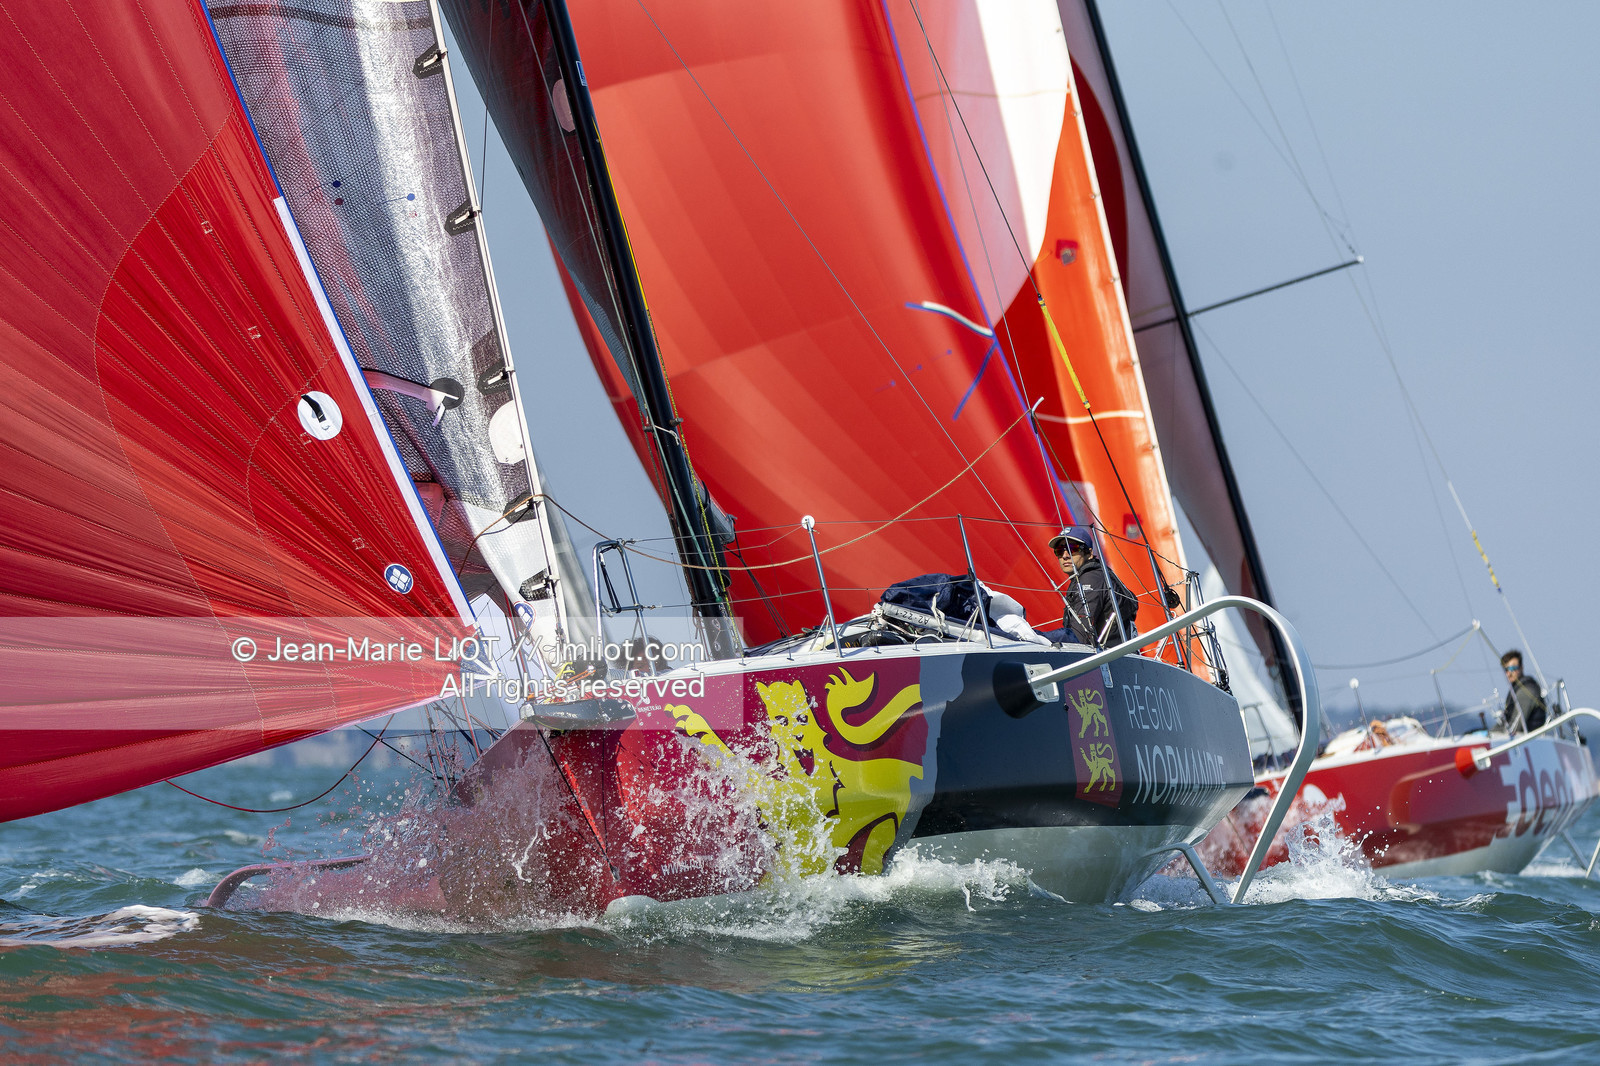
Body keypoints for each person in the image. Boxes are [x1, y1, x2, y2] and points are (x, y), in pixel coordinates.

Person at [1046, 526, 1137, 647]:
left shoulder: (1090, 579)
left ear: (1089, 553)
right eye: (1059, 550)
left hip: (1109, 659)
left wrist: (1034, 637)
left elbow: (1079, 635)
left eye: (1072, 549)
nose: (1065, 555)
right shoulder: (1095, 575)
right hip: (1118, 656)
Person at [1500, 650, 1548, 733]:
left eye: (1513, 669)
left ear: (1521, 668)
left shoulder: (1527, 690)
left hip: (1531, 740)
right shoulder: (1515, 689)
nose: (1509, 673)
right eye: (1506, 670)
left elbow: (1516, 725)